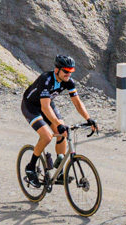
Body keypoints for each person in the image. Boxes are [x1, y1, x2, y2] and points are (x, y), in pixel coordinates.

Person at [21, 54, 97, 185]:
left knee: (64, 131)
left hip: (47, 104)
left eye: (71, 71)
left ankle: (60, 172)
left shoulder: (69, 82)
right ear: (57, 70)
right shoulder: (46, 79)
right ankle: (30, 167)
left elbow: (78, 104)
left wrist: (88, 118)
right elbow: (44, 108)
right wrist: (57, 124)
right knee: (47, 136)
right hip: (31, 106)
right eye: (66, 71)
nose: (69, 74)